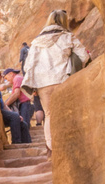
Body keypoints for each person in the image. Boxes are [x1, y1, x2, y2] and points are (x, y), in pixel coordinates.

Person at [22, 9, 90, 147]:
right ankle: (71, 145)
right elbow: (84, 56)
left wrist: (33, 84)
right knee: (68, 111)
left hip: (43, 84)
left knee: (49, 115)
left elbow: (27, 66)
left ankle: (52, 148)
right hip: (63, 80)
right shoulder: (68, 37)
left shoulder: (36, 42)